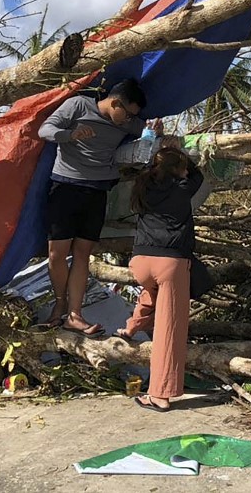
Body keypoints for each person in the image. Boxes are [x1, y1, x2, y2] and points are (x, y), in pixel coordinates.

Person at [37, 78, 160, 336]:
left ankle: (75, 315)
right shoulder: (78, 106)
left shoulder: (127, 120)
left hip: (97, 192)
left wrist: (155, 130)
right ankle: (59, 305)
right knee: (57, 253)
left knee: (82, 253)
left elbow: (146, 133)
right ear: (115, 102)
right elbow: (45, 130)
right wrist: (70, 135)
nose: (128, 121)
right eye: (127, 114)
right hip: (65, 187)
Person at [113, 147, 204, 412]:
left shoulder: (143, 186)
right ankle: (160, 395)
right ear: (178, 170)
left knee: (152, 292)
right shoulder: (183, 188)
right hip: (170, 263)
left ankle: (131, 327)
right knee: (169, 330)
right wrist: (187, 152)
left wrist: (161, 152)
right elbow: (196, 174)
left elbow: (153, 168)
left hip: (141, 261)